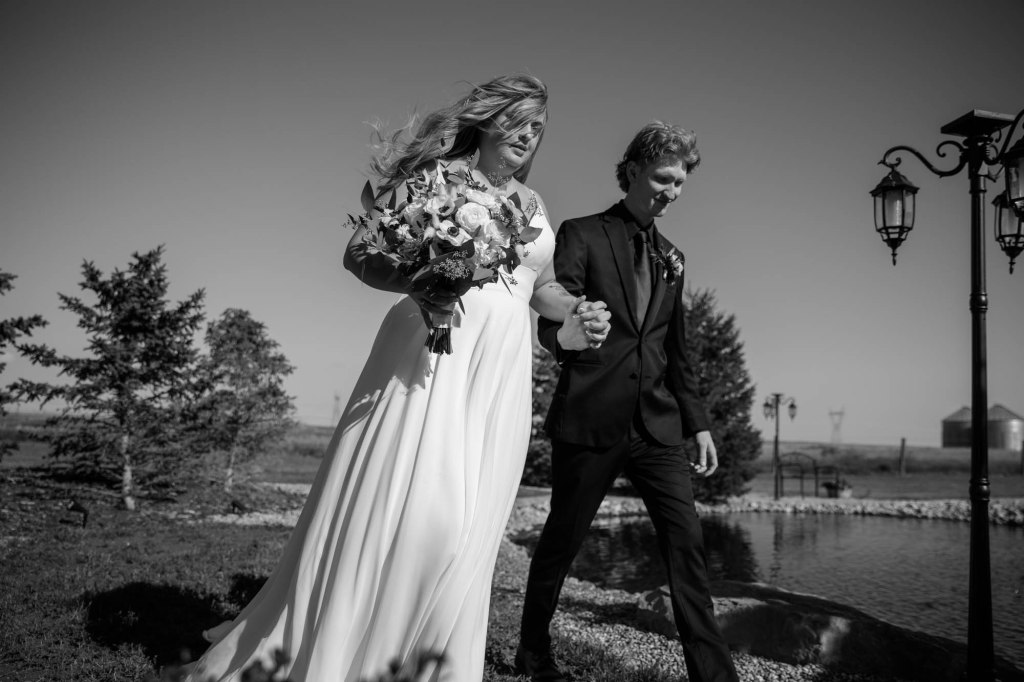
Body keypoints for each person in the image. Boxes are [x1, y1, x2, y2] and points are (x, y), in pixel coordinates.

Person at [184, 74, 611, 682]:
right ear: (488, 120)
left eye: (539, 127)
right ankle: (354, 649)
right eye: (518, 120)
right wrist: (425, 283)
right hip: (430, 360)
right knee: (423, 515)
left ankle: (427, 662)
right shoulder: (434, 179)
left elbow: (535, 285)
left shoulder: (534, 204)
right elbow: (359, 254)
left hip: (500, 370)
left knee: (470, 527)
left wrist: (576, 309)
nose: (528, 135)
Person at [516, 122, 739, 682]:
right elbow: (550, 312)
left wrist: (699, 424)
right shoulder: (583, 233)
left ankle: (713, 676)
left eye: (681, 184)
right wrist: (566, 334)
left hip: (658, 428)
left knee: (687, 544)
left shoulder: (675, 258)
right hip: (591, 418)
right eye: (664, 179)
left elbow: (676, 348)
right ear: (636, 169)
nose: (672, 192)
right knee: (561, 543)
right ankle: (532, 651)